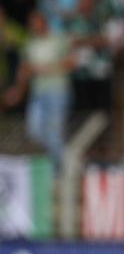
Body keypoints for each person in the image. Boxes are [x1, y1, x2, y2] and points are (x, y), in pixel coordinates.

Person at [3, 12, 73, 165]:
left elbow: (70, 63)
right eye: (32, 24)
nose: (34, 27)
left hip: (57, 91)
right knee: (34, 130)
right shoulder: (30, 45)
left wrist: (44, 69)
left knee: (54, 130)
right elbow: (24, 70)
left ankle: (61, 167)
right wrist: (18, 91)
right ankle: (64, 158)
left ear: (44, 23)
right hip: (38, 93)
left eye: (37, 23)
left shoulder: (58, 40)